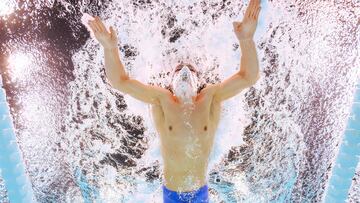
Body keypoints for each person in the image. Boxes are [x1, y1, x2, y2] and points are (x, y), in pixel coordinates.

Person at [87, 0, 261, 202]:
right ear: (170, 79)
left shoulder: (211, 97)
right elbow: (120, 82)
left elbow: (249, 77)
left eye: (189, 70)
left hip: (199, 194)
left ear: (198, 79)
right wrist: (110, 48)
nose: (184, 72)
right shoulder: (161, 99)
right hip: (172, 194)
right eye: (178, 70)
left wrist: (246, 39)